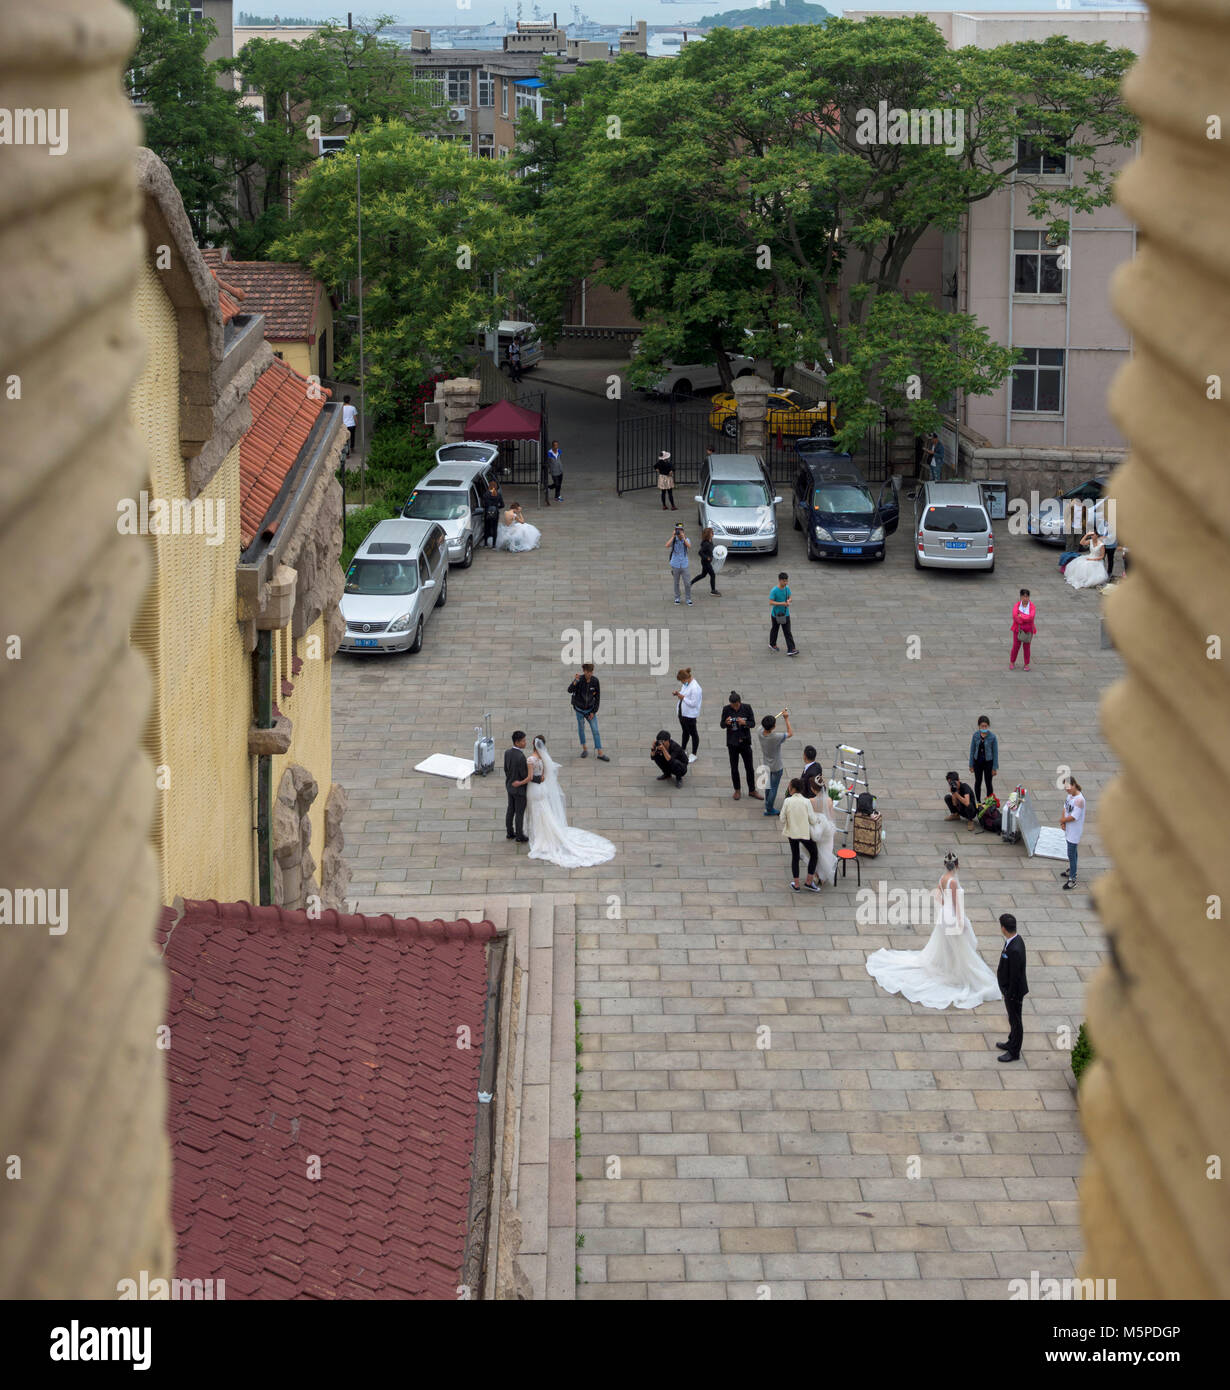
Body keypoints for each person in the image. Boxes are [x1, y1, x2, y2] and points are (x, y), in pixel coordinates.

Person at [865, 852, 1002, 1009]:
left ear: (945, 865)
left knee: (948, 944)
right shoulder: (953, 882)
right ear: (957, 865)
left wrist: (946, 906)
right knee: (960, 947)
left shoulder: (942, 879)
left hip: (944, 914)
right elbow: (957, 904)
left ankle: (948, 967)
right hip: (951, 916)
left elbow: (938, 896)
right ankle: (956, 972)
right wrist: (960, 921)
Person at [525, 736, 616, 867]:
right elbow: (544, 774)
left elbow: (529, 777)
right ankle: (545, 833)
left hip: (534, 788)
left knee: (537, 810)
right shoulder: (543, 757)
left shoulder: (531, 759)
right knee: (544, 809)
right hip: (542, 788)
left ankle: (540, 836)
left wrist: (519, 782)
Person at [995, 913, 1029, 1062]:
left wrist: (1010, 993)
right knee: (1012, 1019)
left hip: (1013, 992)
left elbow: (1015, 975)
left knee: (1016, 1021)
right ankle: (1011, 1041)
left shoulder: (1014, 949)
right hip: (1010, 990)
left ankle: (1014, 1052)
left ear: (1003, 928)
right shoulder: (1013, 940)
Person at [780, 779, 821, 892]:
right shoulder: (806, 801)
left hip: (791, 833)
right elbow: (812, 820)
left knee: (795, 856)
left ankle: (796, 884)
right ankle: (809, 881)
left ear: (792, 789)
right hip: (804, 833)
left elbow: (782, 819)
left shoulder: (787, 801)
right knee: (814, 854)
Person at [720, 692, 761, 801]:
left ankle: (752, 790)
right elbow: (722, 725)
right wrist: (726, 723)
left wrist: (744, 723)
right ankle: (737, 789)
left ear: (739, 702)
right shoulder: (726, 709)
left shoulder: (747, 708)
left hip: (745, 742)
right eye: (732, 705)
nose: (734, 707)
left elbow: (753, 723)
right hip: (732, 743)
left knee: (749, 768)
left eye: (736, 705)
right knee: (734, 768)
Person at [568, 662, 608, 761]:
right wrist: (575, 681)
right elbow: (569, 690)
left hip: (590, 710)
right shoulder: (579, 680)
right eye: (588, 672)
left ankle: (600, 752)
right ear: (584, 671)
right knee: (581, 728)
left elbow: (597, 697)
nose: (589, 674)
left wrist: (594, 711)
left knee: (595, 730)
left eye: (591, 672)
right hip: (579, 710)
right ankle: (584, 748)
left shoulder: (595, 681)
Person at [758, 709, 793, 817]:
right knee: (773, 787)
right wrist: (786, 718)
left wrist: (774, 717)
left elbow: (765, 723)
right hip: (776, 766)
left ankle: (767, 803)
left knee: (767, 786)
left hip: (766, 764)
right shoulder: (775, 737)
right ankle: (769, 809)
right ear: (773, 727)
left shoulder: (759, 731)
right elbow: (790, 733)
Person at [504, 731, 531, 843]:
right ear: (517, 742)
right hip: (519, 789)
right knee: (519, 812)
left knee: (510, 809)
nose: (525, 742)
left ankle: (510, 832)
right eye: (523, 741)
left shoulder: (507, 752)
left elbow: (506, 769)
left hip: (510, 786)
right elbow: (525, 775)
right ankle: (519, 835)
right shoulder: (521, 757)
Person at [1060, 776, 1085, 890]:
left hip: (1074, 831)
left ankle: (1072, 879)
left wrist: (1063, 821)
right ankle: (1072, 869)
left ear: (1074, 785)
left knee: (1071, 853)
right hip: (1069, 829)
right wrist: (1063, 821)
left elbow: (1074, 816)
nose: (1067, 789)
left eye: (1069, 787)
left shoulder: (1080, 800)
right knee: (1073, 852)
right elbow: (1065, 807)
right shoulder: (1070, 796)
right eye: (1065, 788)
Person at [672, 667, 702, 762]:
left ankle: (694, 754)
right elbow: (683, 693)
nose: (682, 683)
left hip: (690, 715)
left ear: (686, 679)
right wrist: (678, 693)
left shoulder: (695, 688)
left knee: (693, 734)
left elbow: (694, 703)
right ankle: (683, 749)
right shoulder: (686, 684)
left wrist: (682, 697)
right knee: (685, 732)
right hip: (682, 713)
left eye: (682, 681)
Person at [968, 716, 999, 802]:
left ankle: (989, 802)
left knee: (988, 783)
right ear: (979, 726)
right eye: (982, 726)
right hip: (977, 762)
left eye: (986, 726)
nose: (984, 728)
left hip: (988, 763)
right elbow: (972, 750)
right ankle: (978, 802)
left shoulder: (992, 737)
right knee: (978, 782)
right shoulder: (975, 735)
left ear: (988, 726)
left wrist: (994, 768)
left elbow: (995, 753)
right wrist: (971, 765)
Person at [768, 572, 798, 656]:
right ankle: (772, 644)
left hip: (785, 614)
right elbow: (770, 602)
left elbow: (790, 597)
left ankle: (791, 649)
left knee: (787, 631)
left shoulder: (787, 588)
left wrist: (789, 601)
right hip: (776, 615)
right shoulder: (774, 590)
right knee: (775, 629)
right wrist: (782, 603)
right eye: (784, 581)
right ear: (780, 580)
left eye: (786, 581)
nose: (786, 583)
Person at [1010, 588, 1037, 670]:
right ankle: (1012, 662)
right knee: (1016, 647)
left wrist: (1021, 616)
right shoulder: (1017, 605)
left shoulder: (1032, 606)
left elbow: (1031, 617)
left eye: (1027, 596)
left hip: (1028, 631)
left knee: (1027, 648)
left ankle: (1026, 664)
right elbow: (1015, 616)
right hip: (1018, 630)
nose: (1025, 598)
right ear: (1020, 597)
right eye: (1023, 596)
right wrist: (1025, 618)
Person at [667, 522, 692, 604]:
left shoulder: (686, 539)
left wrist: (683, 538)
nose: (679, 532)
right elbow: (667, 545)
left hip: (684, 564)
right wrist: (673, 536)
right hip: (675, 564)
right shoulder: (674, 539)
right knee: (676, 582)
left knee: (687, 583)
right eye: (677, 530)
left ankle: (688, 598)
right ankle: (677, 597)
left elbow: (689, 546)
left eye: (680, 530)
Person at [693, 526, 721, 596]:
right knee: (712, 575)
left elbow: (711, 549)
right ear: (708, 534)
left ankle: (690, 583)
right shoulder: (706, 544)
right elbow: (700, 552)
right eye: (711, 533)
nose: (713, 534)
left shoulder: (710, 541)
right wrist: (707, 558)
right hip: (706, 562)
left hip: (706, 562)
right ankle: (713, 591)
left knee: (703, 575)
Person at [482, 478, 504, 549]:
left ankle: (485, 544)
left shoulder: (485, 494)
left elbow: (483, 505)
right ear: (496, 486)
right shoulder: (498, 495)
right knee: (494, 528)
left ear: (489, 486)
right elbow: (502, 505)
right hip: (495, 514)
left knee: (486, 528)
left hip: (487, 513)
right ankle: (494, 545)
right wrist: (497, 508)